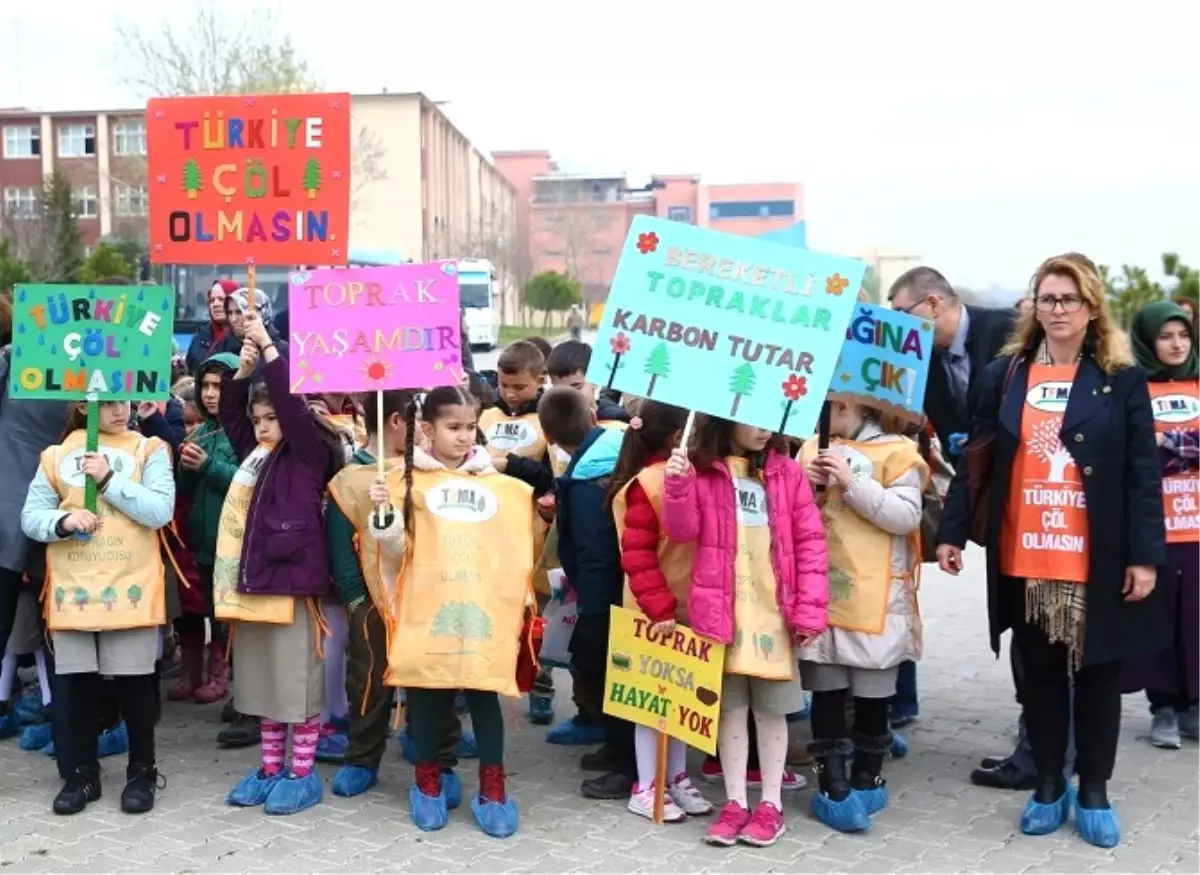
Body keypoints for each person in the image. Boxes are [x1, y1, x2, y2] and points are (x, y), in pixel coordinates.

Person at [936, 254, 1165, 848]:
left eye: (1068, 299)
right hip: (1024, 553)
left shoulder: (1122, 379)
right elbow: (976, 462)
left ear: (1092, 308)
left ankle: (1093, 790)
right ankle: (1046, 784)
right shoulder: (1005, 375)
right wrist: (950, 532)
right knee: (1036, 676)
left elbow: (1145, 474)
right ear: (1033, 307)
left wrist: (1145, 555)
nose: (1057, 310)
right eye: (1046, 298)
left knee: (1096, 678)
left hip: (1095, 558)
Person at [887, 266, 1035, 786]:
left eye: (900, 314)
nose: (896, 327)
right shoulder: (917, 364)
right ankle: (1035, 729)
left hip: (1045, 501)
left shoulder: (1012, 331)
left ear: (931, 304)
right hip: (989, 505)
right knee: (1017, 615)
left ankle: (1042, 736)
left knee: (1043, 623)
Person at [368, 386, 535, 838]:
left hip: (482, 610)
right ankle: (427, 782)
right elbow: (398, 551)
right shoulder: (405, 481)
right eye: (452, 427)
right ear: (426, 429)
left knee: (484, 694)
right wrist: (384, 517)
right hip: (427, 607)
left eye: (469, 426)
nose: (464, 437)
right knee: (427, 694)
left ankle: (493, 787)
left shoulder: (498, 486)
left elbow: (511, 544)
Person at [663, 414, 829, 848]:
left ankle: (770, 804)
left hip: (774, 613)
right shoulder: (702, 471)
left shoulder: (786, 471)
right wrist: (678, 486)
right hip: (724, 612)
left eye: (772, 421)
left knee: (772, 710)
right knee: (730, 709)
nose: (764, 429)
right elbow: (682, 530)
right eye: (754, 419)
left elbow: (810, 540)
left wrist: (811, 610)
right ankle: (735, 801)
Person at [22, 398, 176, 815]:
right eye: (106, 403)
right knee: (77, 687)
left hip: (130, 586)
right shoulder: (56, 456)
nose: (118, 411)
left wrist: (109, 480)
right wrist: (63, 522)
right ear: (84, 406)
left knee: (134, 684)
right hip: (74, 589)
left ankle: (142, 772)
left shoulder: (150, 450)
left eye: (122, 401)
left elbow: (160, 511)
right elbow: (31, 516)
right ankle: (81, 775)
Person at [221, 315, 343, 816]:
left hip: (294, 584)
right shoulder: (256, 453)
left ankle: (302, 770)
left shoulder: (309, 452)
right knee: (265, 683)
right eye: (259, 420)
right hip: (255, 585)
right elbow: (230, 415)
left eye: (271, 419)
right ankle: (271, 768)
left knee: (298, 682)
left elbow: (292, 410)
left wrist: (271, 350)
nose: (263, 427)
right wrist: (242, 373)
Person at [325, 389, 470, 797]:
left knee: (436, 678)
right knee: (368, 679)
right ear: (395, 422)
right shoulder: (349, 481)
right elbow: (341, 548)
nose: (423, 431)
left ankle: (441, 759)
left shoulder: (428, 473)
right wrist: (357, 601)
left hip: (427, 597)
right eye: (416, 421)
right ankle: (362, 758)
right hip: (372, 600)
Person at [797, 401, 926, 832]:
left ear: (845, 404)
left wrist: (852, 482)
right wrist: (805, 485)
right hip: (819, 588)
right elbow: (790, 513)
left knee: (873, 691)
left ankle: (868, 776)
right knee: (827, 687)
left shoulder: (898, 451)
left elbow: (906, 516)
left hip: (877, 594)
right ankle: (833, 785)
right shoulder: (809, 448)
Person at [607, 401, 714, 821]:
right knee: (651, 706)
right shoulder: (647, 484)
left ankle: (677, 778)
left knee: (683, 703)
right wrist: (658, 608)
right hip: (653, 614)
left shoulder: (692, 478)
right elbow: (636, 555)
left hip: (687, 609)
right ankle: (646, 785)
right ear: (677, 438)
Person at [539, 386, 638, 800]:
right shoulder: (619, 451)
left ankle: (626, 763)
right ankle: (617, 749)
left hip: (608, 598)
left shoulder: (584, 484)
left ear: (548, 437)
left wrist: (594, 615)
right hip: (629, 590)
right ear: (594, 417)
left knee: (613, 674)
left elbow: (594, 553)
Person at [1124, 302, 1200, 748]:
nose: (1176, 344)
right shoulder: (1134, 388)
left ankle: (1195, 705)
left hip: (1198, 528)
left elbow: (1155, 451)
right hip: (1157, 524)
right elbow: (1134, 453)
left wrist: (1166, 443)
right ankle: (1164, 709)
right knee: (1161, 621)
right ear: (1148, 341)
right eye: (1166, 336)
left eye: (1183, 335)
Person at [479, 341, 559, 726]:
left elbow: (552, 477)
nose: (510, 393)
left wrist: (508, 464)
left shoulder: (549, 417)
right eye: (504, 384)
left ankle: (541, 686)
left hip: (534, 531)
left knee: (538, 612)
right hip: (489, 529)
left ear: (539, 381)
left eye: (519, 387)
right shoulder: (484, 414)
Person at [173, 353, 241, 705]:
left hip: (233, 544)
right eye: (206, 385)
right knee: (211, 612)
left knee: (229, 617)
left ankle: (224, 679)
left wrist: (208, 465)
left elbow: (247, 484)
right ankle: (203, 674)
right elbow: (185, 490)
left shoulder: (244, 431)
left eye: (220, 385)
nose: (212, 393)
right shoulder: (201, 430)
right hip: (202, 541)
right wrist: (184, 466)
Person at [185, 280, 235, 373]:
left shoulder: (244, 338)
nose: (215, 304)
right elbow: (189, 370)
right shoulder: (200, 337)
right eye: (212, 300)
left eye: (221, 299)